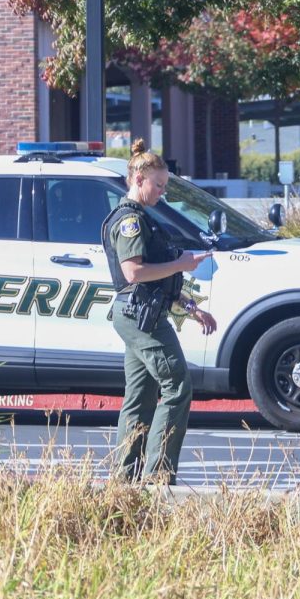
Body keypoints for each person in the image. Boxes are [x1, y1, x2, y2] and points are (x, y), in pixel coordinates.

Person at [102, 139, 216, 484]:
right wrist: (182, 262)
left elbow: (158, 279)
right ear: (139, 179)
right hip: (141, 317)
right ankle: (157, 476)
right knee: (178, 386)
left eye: (165, 185)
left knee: (140, 396)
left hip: (141, 312)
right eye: (159, 184)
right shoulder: (130, 223)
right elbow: (134, 273)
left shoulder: (143, 220)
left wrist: (191, 307)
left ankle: (124, 480)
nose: (162, 192)